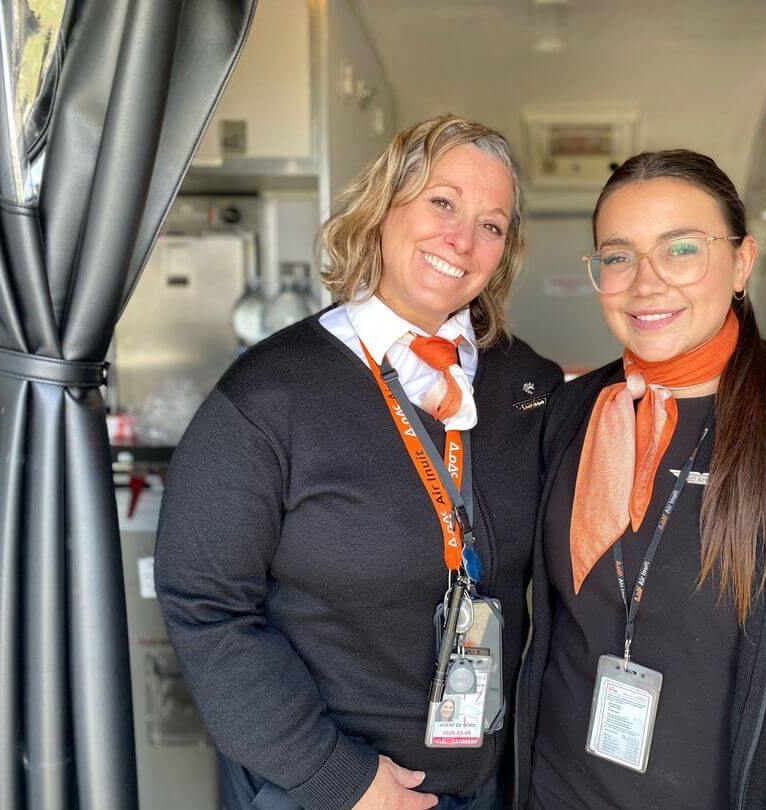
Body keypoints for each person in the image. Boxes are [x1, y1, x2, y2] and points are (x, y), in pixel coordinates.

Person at [155, 116, 562, 810]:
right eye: (442, 202)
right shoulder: (269, 392)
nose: (462, 240)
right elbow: (206, 603)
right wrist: (334, 777)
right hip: (322, 785)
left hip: (487, 779)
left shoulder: (531, 385)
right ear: (382, 211)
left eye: (492, 225)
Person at [514, 150, 766, 809]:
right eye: (617, 256)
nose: (646, 283)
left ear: (742, 262)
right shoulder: (573, 413)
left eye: (681, 250)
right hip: (557, 791)